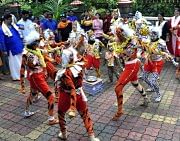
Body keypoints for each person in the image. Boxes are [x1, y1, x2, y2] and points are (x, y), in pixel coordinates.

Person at [55, 46, 100, 141]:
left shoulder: (64, 72)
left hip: (66, 96)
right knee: (85, 114)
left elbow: (71, 89)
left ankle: (64, 134)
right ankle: (92, 137)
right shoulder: (79, 65)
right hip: (79, 94)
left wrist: (72, 108)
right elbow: (85, 60)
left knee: (61, 114)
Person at [22, 40, 59, 125]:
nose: (38, 44)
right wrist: (22, 85)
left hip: (37, 76)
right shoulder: (28, 55)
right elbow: (26, 66)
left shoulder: (36, 51)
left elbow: (46, 51)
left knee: (33, 93)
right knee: (51, 98)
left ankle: (26, 111)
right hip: (36, 77)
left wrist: (59, 47)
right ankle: (51, 119)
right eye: (37, 43)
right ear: (33, 45)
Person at [141, 27, 178, 102]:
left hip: (157, 63)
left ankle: (158, 95)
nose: (151, 35)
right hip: (149, 61)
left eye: (154, 33)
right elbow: (143, 49)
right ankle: (152, 87)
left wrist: (174, 62)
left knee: (153, 81)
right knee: (144, 77)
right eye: (151, 33)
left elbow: (167, 52)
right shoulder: (147, 41)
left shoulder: (161, 43)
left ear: (157, 35)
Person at [0, 14, 24, 81]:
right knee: (14, 63)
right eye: (10, 19)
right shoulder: (2, 29)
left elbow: (23, 27)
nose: (11, 20)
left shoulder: (14, 26)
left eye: (11, 19)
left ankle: (22, 74)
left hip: (19, 46)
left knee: (21, 61)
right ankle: (16, 76)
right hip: (11, 48)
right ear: (5, 20)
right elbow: (2, 41)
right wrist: (4, 50)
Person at [166, 7, 180, 78]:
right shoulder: (172, 18)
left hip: (178, 36)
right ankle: (175, 59)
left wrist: (175, 29)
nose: (175, 12)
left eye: (176, 11)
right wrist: (170, 30)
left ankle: (177, 60)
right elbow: (168, 25)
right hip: (172, 35)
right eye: (175, 11)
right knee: (172, 47)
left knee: (178, 48)